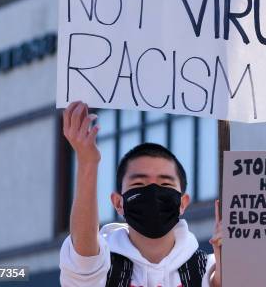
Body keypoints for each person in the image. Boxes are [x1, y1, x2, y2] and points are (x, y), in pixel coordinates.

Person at [59, 101, 222, 287]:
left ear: (183, 203)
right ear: (118, 203)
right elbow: (83, 261)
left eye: (165, 183)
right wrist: (87, 161)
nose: (153, 191)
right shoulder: (105, 269)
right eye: (139, 183)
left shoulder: (206, 270)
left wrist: (232, 259)